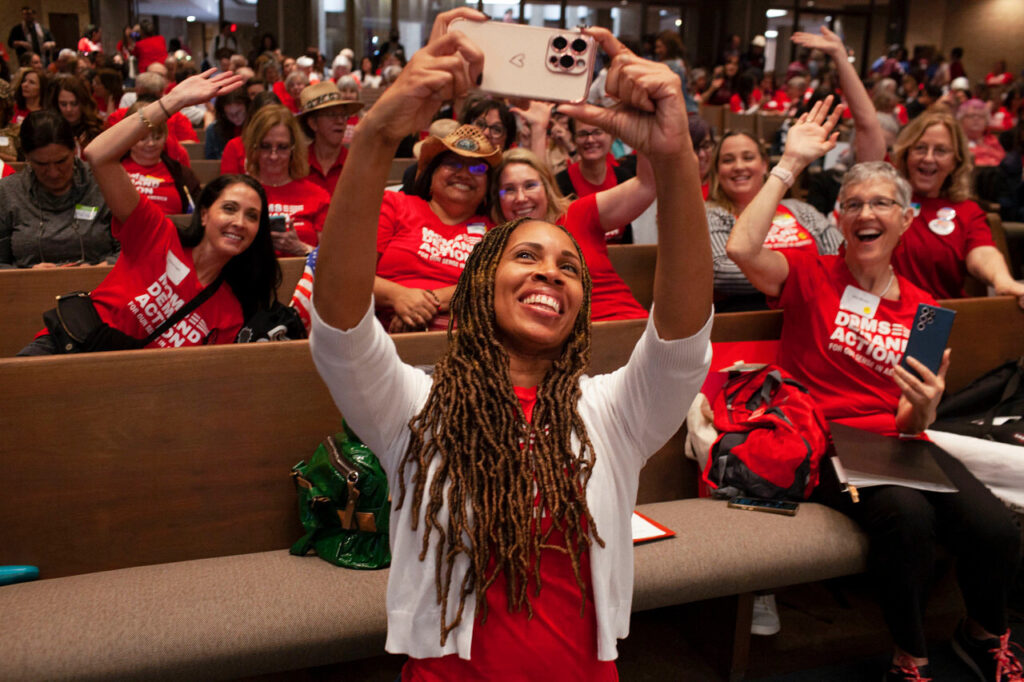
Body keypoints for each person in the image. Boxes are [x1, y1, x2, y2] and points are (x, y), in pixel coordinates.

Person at [310, 10, 712, 678]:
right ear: (481, 282)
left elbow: (681, 338)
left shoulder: (609, 414)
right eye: (525, 255)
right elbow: (341, 327)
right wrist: (381, 131)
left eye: (567, 267)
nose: (550, 272)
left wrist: (672, 160)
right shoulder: (415, 405)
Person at [725, 97, 1022, 682]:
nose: (866, 211)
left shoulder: (928, 313)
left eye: (882, 202)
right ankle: (909, 658)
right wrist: (787, 165)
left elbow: (912, 424)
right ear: (838, 221)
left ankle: (983, 634)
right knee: (908, 518)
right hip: (828, 443)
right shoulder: (811, 272)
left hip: (903, 444)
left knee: (995, 527)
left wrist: (926, 406)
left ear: (905, 220)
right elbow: (740, 249)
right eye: (853, 203)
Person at [18, 69, 278, 355]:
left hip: (134, 388)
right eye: (229, 208)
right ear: (203, 214)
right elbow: (98, 155)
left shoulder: (230, 311)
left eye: (252, 216)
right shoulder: (157, 232)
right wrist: (172, 102)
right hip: (70, 347)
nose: (239, 222)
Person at [491, 147, 650, 321]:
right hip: (561, 342)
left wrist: (643, 137)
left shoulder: (577, 213)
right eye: (509, 190)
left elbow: (646, 185)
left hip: (626, 325)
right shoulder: (495, 243)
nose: (521, 198)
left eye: (530, 186)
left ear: (547, 187)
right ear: (498, 200)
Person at [891, 110, 1024, 304]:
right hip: (879, 318)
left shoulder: (967, 211)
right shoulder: (884, 199)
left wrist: (1002, 281)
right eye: (920, 148)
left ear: (955, 161)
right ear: (906, 154)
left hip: (939, 321)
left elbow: (982, 252)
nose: (928, 158)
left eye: (941, 151)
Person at [375, 124, 498, 332]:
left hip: (464, 340)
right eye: (452, 164)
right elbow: (352, 276)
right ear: (430, 175)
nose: (464, 173)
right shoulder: (395, 204)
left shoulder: (495, 231)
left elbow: (494, 286)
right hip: (382, 334)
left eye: (477, 168)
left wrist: (429, 302)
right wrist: (398, 296)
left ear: (488, 186)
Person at [705, 130, 842, 309]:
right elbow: (721, 272)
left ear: (764, 165)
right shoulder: (712, 215)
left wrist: (775, 272)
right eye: (728, 160)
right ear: (717, 171)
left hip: (822, 309)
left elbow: (841, 257)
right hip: (750, 320)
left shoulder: (800, 208)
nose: (738, 166)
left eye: (748, 158)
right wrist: (807, 274)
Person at [0, 109, 114, 268]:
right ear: (27, 157)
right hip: (29, 289)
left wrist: (104, 267)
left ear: (74, 149)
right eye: (42, 164)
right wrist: (25, 274)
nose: (53, 173)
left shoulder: (103, 182)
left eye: (61, 161)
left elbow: (134, 248)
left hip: (100, 286)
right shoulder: (8, 192)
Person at [243, 103, 329, 256]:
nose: (273, 156)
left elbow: (332, 259)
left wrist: (300, 248)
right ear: (254, 148)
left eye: (282, 147)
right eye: (265, 146)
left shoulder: (317, 195)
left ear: (293, 149)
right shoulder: (239, 192)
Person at [555, 119, 637, 243]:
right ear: (573, 139)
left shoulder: (624, 179)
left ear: (611, 136)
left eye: (597, 132)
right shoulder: (560, 184)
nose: (590, 140)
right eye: (583, 134)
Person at [120, 102, 200, 215]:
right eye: (142, 139)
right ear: (129, 138)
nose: (151, 144)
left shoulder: (182, 174)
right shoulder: (114, 169)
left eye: (157, 137)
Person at [297, 81, 362, 196]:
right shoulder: (296, 164)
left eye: (343, 115)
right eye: (332, 115)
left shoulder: (355, 165)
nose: (340, 121)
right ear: (313, 123)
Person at [50, 76, 103, 150]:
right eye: (63, 104)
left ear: (83, 103)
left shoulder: (97, 128)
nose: (69, 109)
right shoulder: (51, 130)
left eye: (74, 103)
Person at [957, 98, 1005, 167]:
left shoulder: (992, 140)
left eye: (981, 116)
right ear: (961, 120)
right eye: (972, 115)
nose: (976, 119)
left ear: (986, 120)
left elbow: (1003, 160)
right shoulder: (957, 142)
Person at [203, 89, 249, 160]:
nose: (235, 118)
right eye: (229, 114)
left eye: (238, 112)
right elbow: (210, 163)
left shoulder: (256, 127)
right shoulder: (213, 131)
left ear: (247, 107)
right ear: (223, 113)